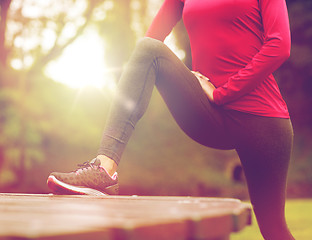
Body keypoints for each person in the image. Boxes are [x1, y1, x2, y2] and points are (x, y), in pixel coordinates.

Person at [47, 0, 295, 239]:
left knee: (273, 230)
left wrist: (223, 92)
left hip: (263, 122)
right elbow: (149, 45)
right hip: (212, 115)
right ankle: (104, 168)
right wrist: (183, 78)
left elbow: (279, 46)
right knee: (148, 49)